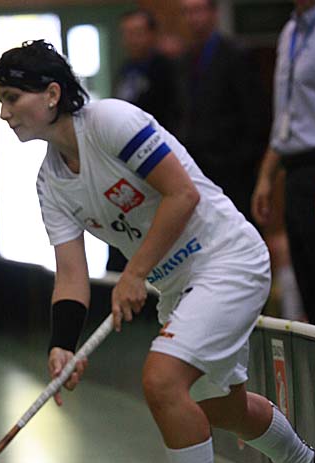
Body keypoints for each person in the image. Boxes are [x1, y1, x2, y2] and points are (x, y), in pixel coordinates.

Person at [0, 40, 315, 463]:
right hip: (180, 285)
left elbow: (183, 194)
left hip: (227, 258)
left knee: (162, 380)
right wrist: (62, 345)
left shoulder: (111, 122)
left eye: (12, 98)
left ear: (51, 94)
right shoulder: (50, 184)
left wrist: (135, 272)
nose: (5, 113)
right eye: (0, 100)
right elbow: (70, 273)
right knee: (217, 406)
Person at [252, 0, 315, 333]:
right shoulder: (291, 31)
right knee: (311, 287)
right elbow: (287, 114)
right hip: (296, 171)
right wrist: (267, 176)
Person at [177, 0, 267, 223]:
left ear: (213, 13)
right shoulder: (185, 60)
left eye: (198, 11)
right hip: (196, 167)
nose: (193, 19)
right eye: (187, 12)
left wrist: (241, 160)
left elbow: (257, 114)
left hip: (232, 168)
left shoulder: (236, 54)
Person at [110, 8, 180, 272]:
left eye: (138, 32)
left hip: (157, 161)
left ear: (152, 34)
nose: (132, 39)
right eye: (127, 33)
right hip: (125, 167)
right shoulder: (125, 70)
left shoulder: (166, 69)